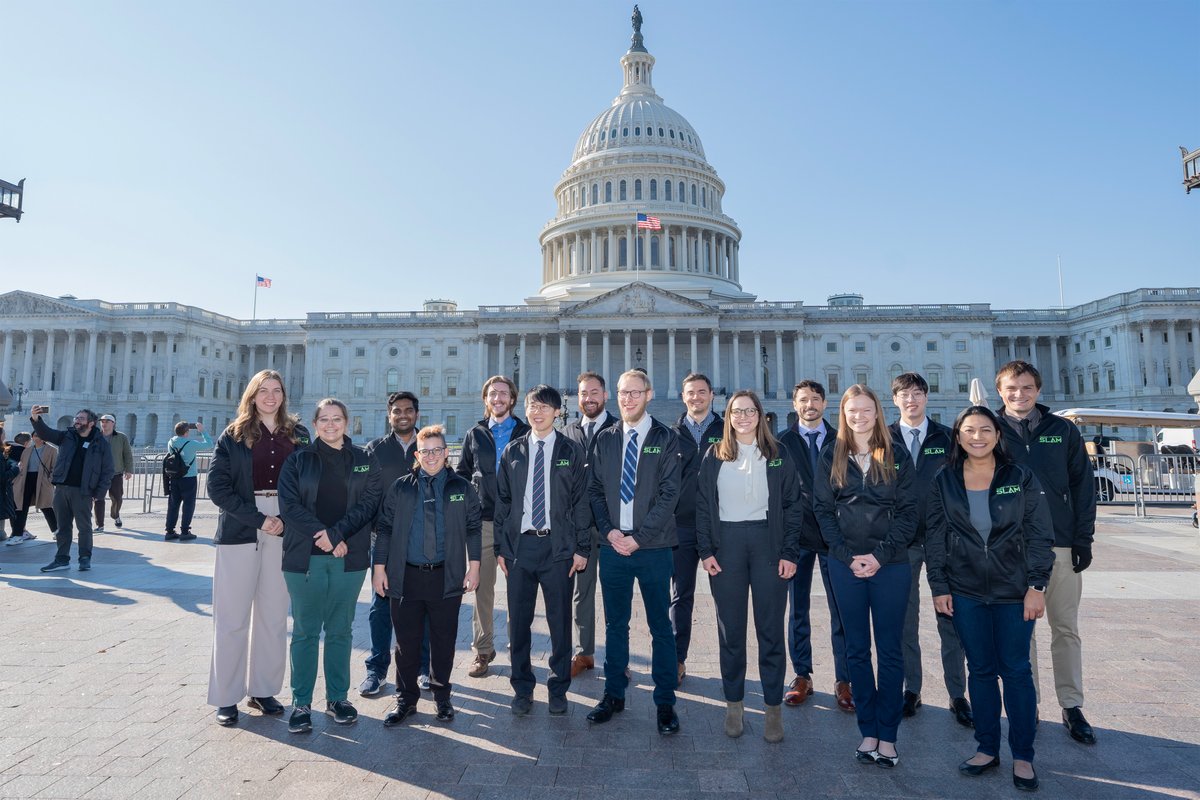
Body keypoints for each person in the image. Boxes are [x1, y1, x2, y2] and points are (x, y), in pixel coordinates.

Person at [926, 405, 1055, 792]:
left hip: (1014, 591)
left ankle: (1023, 755)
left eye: (985, 429)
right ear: (958, 436)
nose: (977, 436)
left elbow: (1039, 533)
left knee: (1015, 670)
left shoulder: (1019, 476)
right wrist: (939, 586)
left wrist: (1037, 585)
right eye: (969, 430)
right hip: (964, 590)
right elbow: (934, 537)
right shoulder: (944, 479)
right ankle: (986, 747)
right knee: (980, 671)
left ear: (998, 435)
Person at [994, 360, 1097, 746]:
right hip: (1010, 548)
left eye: (1027, 388)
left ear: (1038, 390)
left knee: (1065, 629)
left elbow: (1083, 486)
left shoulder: (1063, 430)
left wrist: (1083, 538)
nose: (1019, 395)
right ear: (999, 391)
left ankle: (1072, 705)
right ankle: (1027, 705)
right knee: (1022, 634)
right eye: (1011, 389)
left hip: (1060, 542)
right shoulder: (990, 430)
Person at [814, 384, 917, 768]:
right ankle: (867, 730)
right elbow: (823, 511)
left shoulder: (896, 453)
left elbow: (909, 512)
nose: (859, 416)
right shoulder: (832, 454)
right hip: (845, 564)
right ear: (843, 413)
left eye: (866, 409)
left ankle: (888, 733)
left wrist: (878, 555)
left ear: (877, 411)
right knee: (856, 650)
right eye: (852, 410)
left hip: (889, 565)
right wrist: (847, 555)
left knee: (890, 650)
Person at [695, 390, 802, 743]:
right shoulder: (714, 455)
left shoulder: (778, 453)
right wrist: (706, 550)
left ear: (760, 415)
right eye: (736, 411)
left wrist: (789, 552)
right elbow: (702, 505)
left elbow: (792, 505)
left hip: (767, 544)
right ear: (727, 416)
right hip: (726, 544)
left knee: (770, 630)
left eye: (749, 410)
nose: (743, 416)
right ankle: (734, 704)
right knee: (731, 632)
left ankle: (773, 708)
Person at [206, 369, 310, 727]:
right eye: (263, 390)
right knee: (232, 617)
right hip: (241, 524)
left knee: (273, 614)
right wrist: (259, 518)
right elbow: (218, 488)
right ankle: (226, 696)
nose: (270, 396)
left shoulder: (298, 435)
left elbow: (310, 481)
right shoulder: (233, 435)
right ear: (251, 395)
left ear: (284, 395)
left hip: (286, 523)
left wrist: (284, 515)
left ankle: (263, 689)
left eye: (276, 390)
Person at [586, 369, 682, 735]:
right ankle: (613, 694)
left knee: (661, 627)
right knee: (614, 626)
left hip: (653, 547)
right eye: (623, 393)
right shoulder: (606, 438)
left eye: (635, 393)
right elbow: (594, 489)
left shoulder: (666, 438)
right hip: (612, 546)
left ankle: (665, 703)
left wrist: (638, 537)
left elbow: (669, 495)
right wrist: (610, 531)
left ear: (649, 394)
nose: (628, 399)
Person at [277, 398, 383, 734]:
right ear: (316, 422)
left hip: (347, 556)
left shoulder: (365, 458)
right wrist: (322, 535)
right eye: (324, 419)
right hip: (304, 556)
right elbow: (289, 505)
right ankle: (302, 702)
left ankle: (338, 698)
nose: (331, 424)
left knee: (340, 629)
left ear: (347, 423)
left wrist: (336, 535)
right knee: (306, 631)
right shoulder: (298, 460)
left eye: (337, 419)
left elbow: (369, 504)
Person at [374, 425, 482, 726]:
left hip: (445, 577)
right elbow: (384, 529)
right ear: (416, 455)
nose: (431, 456)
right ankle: (406, 699)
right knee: (406, 644)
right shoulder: (401, 488)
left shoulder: (461, 488)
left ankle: (442, 697)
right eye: (425, 451)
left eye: (437, 450)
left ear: (446, 453)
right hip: (405, 576)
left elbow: (474, 528)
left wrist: (474, 566)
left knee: (443, 641)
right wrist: (379, 568)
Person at [495, 385, 591, 715]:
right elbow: (503, 502)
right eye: (532, 407)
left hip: (558, 547)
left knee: (559, 622)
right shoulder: (514, 451)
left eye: (544, 407)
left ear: (557, 411)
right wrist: (500, 548)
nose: (537, 412)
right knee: (518, 624)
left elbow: (581, 502)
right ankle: (522, 688)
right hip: (521, 547)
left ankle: (558, 687)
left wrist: (581, 548)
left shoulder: (571, 450)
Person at [887, 372, 971, 726]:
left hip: (943, 539)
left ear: (927, 397)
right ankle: (912, 689)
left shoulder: (947, 437)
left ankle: (957, 694)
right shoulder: (883, 438)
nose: (912, 400)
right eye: (905, 395)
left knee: (950, 619)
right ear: (894, 400)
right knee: (905, 621)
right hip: (901, 541)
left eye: (918, 393)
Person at [777, 380, 853, 711]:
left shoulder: (843, 440)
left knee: (841, 610)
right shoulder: (781, 441)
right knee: (798, 608)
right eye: (803, 399)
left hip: (835, 536)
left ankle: (844, 679)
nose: (810, 404)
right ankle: (802, 674)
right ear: (795, 404)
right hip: (798, 535)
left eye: (816, 399)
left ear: (825, 403)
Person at [457, 376, 530, 677]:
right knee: (482, 590)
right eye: (492, 394)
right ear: (485, 399)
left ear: (513, 399)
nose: (498, 399)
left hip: (519, 521)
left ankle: (520, 652)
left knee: (519, 591)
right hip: (485, 520)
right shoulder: (475, 433)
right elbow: (462, 473)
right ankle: (483, 650)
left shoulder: (528, 432)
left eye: (503, 394)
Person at [359, 391, 429, 697]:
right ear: (389, 415)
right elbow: (364, 494)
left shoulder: (428, 447)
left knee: (424, 604)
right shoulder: (375, 449)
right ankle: (377, 670)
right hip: (384, 539)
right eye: (397, 410)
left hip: (423, 538)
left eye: (408, 410)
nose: (403, 414)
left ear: (416, 414)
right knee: (381, 606)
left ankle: (425, 668)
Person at [561, 371, 618, 678]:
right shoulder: (568, 431)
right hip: (578, 527)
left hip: (610, 524)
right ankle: (584, 653)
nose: (589, 398)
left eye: (594, 392)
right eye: (583, 393)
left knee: (614, 593)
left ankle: (617, 657)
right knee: (582, 592)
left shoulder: (619, 428)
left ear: (605, 395)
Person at [670, 372, 724, 684]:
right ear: (683, 396)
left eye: (701, 392)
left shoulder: (728, 428)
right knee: (681, 595)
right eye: (690, 393)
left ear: (711, 394)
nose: (696, 397)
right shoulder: (670, 434)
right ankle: (677, 659)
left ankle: (731, 666)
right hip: (682, 525)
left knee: (727, 598)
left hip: (722, 525)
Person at [31, 406, 114, 573]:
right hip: (61, 488)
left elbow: (108, 470)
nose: (77, 421)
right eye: (76, 418)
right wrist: (35, 419)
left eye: (81, 419)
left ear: (91, 423)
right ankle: (62, 559)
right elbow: (46, 433)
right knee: (62, 527)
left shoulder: (100, 443)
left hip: (83, 491)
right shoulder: (66, 436)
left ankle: (84, 557)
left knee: (84, 527)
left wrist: (99, 494)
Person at [164, 421, 211, 541]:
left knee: (173, 504)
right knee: (188, 505)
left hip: (174, 477)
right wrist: (203, 431)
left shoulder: (171, 442)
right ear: (186, 432)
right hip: (189, 477)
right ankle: (185, 531)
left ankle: (169, 531)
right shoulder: (191, 443)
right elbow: (209, 444)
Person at [9, 432, 58, 545]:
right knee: (21, 507)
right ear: (32, 437)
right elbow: (21, 465)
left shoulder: (52, 450)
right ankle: (17, 535)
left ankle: (57, 531)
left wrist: (50, 480)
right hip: (26, 479)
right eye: (35, 435)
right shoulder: (27, 450)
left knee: (45, 506)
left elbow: (55, 467)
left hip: (42, 480)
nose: (37, 438)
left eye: (40, 435)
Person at [93, 414, 133, 531]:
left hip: (116, 473)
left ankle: (115, 515)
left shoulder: (121, 437)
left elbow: (127, 454)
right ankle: (100, 525)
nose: (104, 423)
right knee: (98, 499)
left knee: (117, 498)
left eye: (107, 421)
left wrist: (129, 469)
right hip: (98, 475)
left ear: (113, 423)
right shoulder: (95, 436)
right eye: (102, 421)